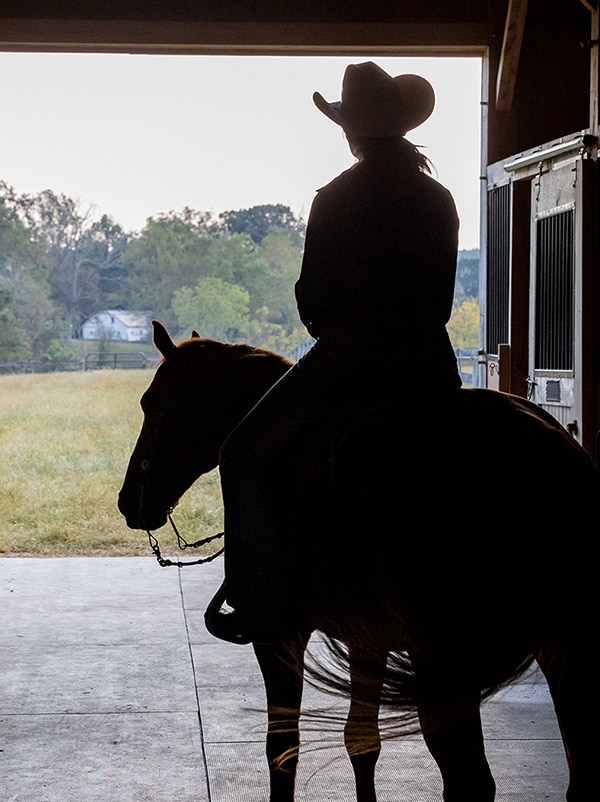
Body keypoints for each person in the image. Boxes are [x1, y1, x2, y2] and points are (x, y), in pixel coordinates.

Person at [208, 61, 462, 645]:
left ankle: (256, 596)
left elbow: (313, 301)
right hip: (428, 365)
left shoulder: (335, 198)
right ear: (400, 127)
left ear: (351, 131)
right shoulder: (438, 198)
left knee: (241, 453)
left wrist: (338, 323)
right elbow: (440, 301)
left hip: (349, 362)